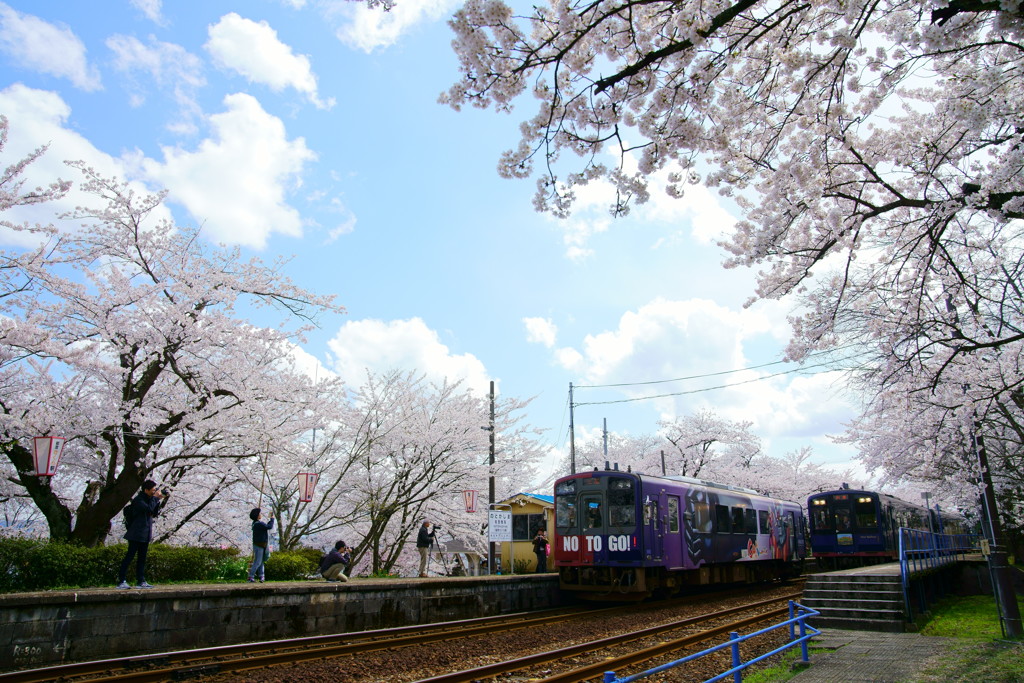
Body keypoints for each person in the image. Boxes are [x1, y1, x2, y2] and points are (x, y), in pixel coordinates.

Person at [116, 480, 166, 589]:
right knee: (129, 556)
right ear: (146, 490)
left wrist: (157, 500)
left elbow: (154, 512)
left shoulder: (149, 499)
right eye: (153, 490)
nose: (154, 492)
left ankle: (141, 580)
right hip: (135, 533)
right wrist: (155, 498)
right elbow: (147, 509)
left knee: (142, 558)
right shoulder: (138, 500)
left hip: (145, 533)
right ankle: (121, 580)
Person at [247, 508, 274, 583]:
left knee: (261, 561)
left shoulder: (255, 523)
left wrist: (270, 521)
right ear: (257, 515)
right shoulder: (259, 524)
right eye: (259, 513)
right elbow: (269, 526)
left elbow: (266, 526)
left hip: (259, 544)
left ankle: (261, 576)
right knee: (258, 562)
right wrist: (272, 519)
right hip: (260, 545)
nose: (261, 514)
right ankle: (250, 577)